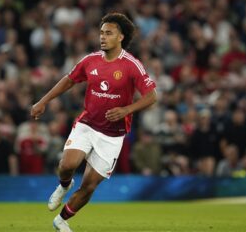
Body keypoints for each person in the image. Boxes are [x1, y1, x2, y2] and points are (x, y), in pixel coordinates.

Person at [31, 13, 157, 232]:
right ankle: (64, 185)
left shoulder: (131, 65)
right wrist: (43, 101)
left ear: (121, 37)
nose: (102, 37)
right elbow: (68, 81)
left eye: (108, 33)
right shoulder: (90, 60)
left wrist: (127, 109)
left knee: (89, 186)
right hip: (87, 125)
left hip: (113, 135)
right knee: (67, 165)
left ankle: (61, 220)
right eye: (101, 32)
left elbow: (151, 96)